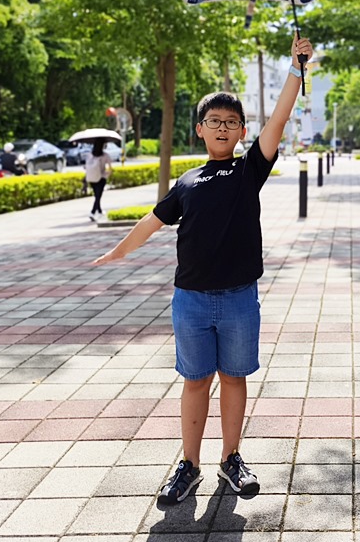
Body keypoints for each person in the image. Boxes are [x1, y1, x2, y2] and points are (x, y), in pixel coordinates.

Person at [92, 34, 314, 504]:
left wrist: (296, 68)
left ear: (240, 132)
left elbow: (278, 119)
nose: (222, 128)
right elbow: (153, 220)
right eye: (214, 121)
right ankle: (188, 465)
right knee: (195, 382)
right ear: (199, 129)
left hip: (238, 297)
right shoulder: (187, 181)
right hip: (190, 299)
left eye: (231, 123)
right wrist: (118, 252)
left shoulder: (249, 169)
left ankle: (231, 458)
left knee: (234, 379)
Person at [85, 139, 113, 221]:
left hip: (91, 178)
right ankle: (93, 212)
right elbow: (110, 168)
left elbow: (86, 166)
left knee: (96, 195)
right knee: (98, 196)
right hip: (101, 178)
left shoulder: (89, 155)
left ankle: (99, 211)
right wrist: (107, 175)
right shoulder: (105, 155)